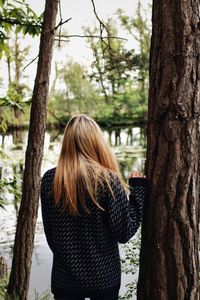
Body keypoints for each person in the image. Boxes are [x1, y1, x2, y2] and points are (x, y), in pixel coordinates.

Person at [40, 114, 148, 300]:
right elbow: (124, 232)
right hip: (103, 279)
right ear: (96, 142)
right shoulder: (107, 180)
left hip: (64, 279)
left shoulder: (50, 179)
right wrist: (138, 191)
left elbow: (51, 234)